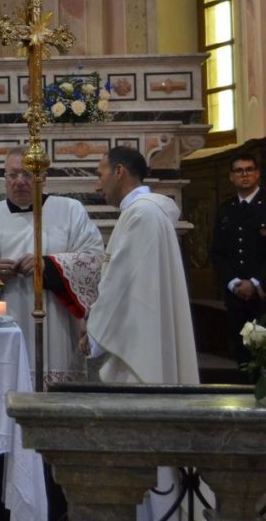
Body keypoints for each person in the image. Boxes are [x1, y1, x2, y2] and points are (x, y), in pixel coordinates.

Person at [0, 146, 103, 521]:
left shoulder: (70, 212)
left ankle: (56, 509)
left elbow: (94, 260)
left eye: (27, 174)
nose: (19, 181)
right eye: (11, 175)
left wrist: (49, 266)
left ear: (44, 176)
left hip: (55, 341)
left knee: (51, 429)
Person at [86, 146, 200, 521]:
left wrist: (95, 334)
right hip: (145, 335)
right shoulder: (149, 213)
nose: (97, 181)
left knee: (143, 439)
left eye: (101, 171)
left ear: (120, 172)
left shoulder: (140, 217)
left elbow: (121, 286)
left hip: (138, 345)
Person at [210, 152, 266, 367]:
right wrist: (233, 283)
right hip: (236, 295)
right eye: (239, 171)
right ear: (231, 176)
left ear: (257, 174)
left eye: (249, 169)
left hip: (262, 294)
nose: (245, 175)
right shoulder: (226, 209)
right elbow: (217, 252)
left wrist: (255, 282)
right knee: (242, 356)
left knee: (261, 355)